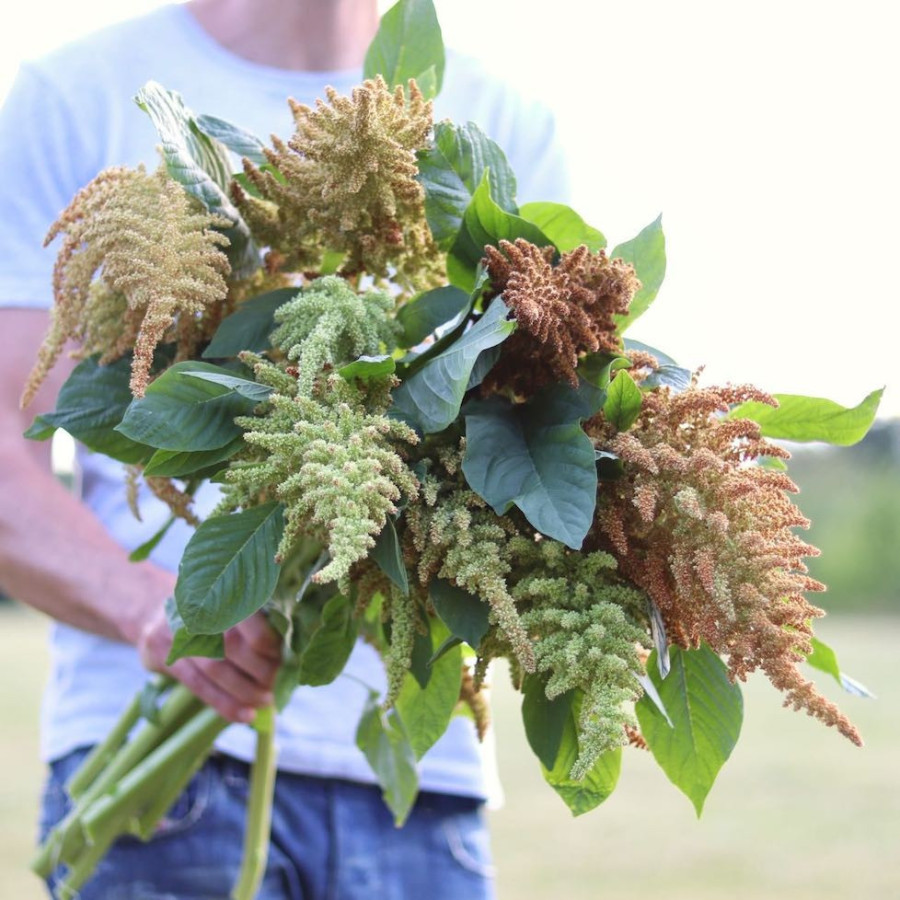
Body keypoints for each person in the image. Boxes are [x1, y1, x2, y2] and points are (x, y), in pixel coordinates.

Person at [0, 1, 570, 896]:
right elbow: (7, 439)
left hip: (418, 799)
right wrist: (156, 609)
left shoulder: (499, 126)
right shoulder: (84, 93)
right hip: (176, 786)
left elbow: (547, 437)